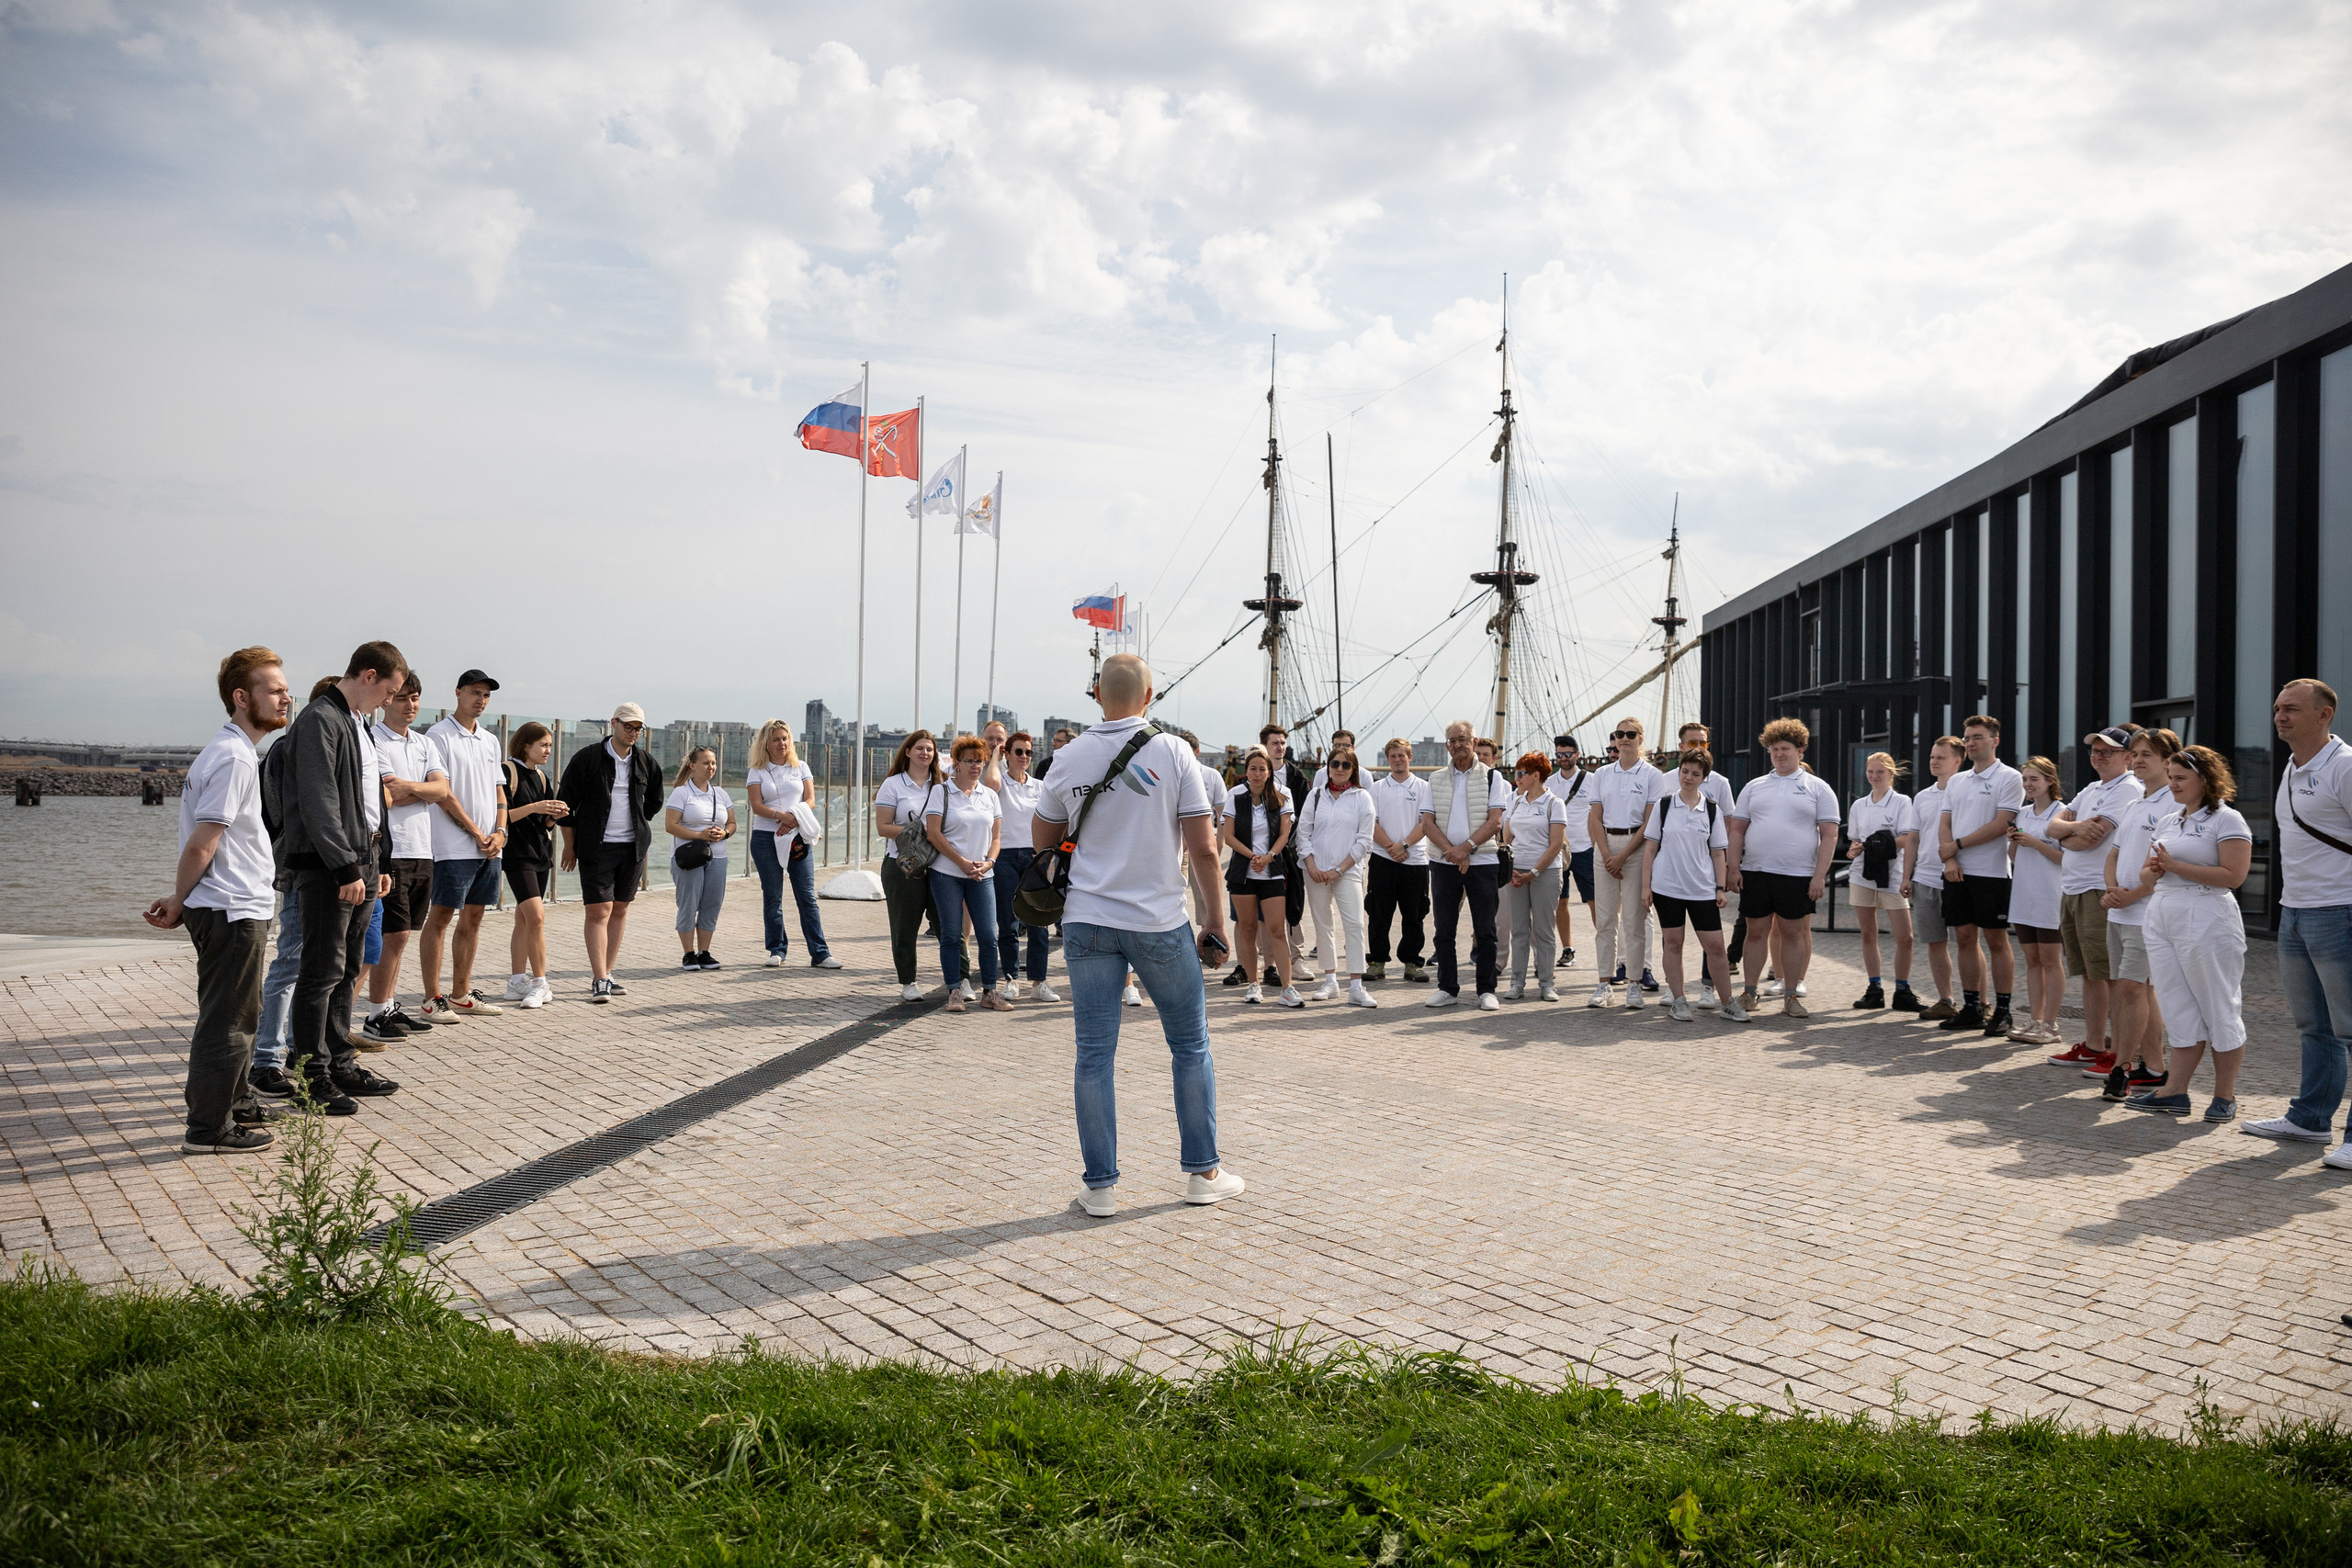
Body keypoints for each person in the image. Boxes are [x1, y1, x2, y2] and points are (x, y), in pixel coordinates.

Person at [1032, 652, 1238, 1217]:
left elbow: (1043, 841)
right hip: (1157, 921)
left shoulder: (1067, 756)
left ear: (1098, 694)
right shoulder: (1173, 751)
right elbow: (1204, 849)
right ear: (1149, 697)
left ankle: (1100, 1187)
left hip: (1087, 919)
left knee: (1094, 1056)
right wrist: (1215, 922)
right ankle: (1203, 1173)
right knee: (1189, 1045)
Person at [144, 648, 292, 1153]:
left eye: (286, 690)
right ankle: (208, 1129)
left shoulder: (229, 750)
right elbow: (202, 842)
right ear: (241, 697)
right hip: (231, 907)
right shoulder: (233, 757)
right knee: (228, 1021)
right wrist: (180, 897)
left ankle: (233, 1105)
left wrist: (182, 897)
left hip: (231, 904)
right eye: (275, 690)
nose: (286, 698)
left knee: (241, 1014)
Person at [275, 641, 407, 1113]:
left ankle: (339, 1063)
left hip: (363, 861)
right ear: (368, 675)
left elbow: (372, 801)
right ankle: (310, 1076)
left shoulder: (358, 723)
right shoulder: (320, 720)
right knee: (320, 972)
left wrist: (380, 863)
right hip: (330, 868)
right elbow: (319, 801)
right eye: (389, 691)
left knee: (348, 968)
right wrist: (344, 866)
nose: (389, 701)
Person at [2243, 680, 2352, 1167]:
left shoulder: (2344, 766)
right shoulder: (2291, 765)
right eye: (2276, 708)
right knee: (2315, 1026)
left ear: (2324, 715)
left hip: (2340, 910)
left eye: (2291, 709)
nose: (2279, 716)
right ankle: (2310, 1120)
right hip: (2295, 910)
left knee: (2350, 1028)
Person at [2123, 746, 2253, 1121]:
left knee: (2218, 1006)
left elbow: (2234, 876)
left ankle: (2224, 1096)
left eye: (2181, 778)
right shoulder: (2168, 820)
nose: (2173, 784)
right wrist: (2154, 871)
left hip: (2207, 915)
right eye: (2171, 777)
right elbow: (2147, 873)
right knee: (2177, 1006)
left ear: (2205, 779)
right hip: (2163, 913)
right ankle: (2175, 1092)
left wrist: (2175, 866)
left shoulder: (2227, 819)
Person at [356, 673, 451, 1047]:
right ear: (386, 701)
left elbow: (442, 790)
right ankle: (375, 1014)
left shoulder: (426, 743)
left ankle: (387, 1006)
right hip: (391, 850)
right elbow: (385, 796)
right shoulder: (373, 739)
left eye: (415, 698)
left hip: (423, 849)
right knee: (390, 935)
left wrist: (411, 787)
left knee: (403, 935)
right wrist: (423, 790)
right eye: (402, 698)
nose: (410, 705)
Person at [2043, 726, 2143, 1069]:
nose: (2099, 756)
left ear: (2127, 757)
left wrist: (2065, 833)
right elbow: (2051, 827)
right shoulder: (2091, 788)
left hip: (2098, 889)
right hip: (2073, 888)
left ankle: (2120, 1053)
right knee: (2089, 974)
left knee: (2112, 975)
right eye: (2095, 751)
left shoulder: (2128, 788)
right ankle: (2094, 1045)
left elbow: (2092, 839)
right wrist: (2070, 830)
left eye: (2108, 751)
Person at [1727, 716, 1840, 1020]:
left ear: (1800, 751)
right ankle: (1749, 993)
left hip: (1798, 874)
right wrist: (1733, 868)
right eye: (1774, 749)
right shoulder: (1754, 787)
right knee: (1755, 933)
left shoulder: (1819, 788)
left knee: (1792, 934)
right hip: (1756, 871)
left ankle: (1791, 995)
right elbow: (1737, 830)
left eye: (1785, 749)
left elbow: (1830, 835)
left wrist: (1819, 876)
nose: (1779, 754)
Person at [556, 702, 666, 1003]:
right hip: (596, 847)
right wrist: (569, 845)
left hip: (633, 848)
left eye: (638, 728)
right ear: (614, 723)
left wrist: (638, 822)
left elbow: (655, 801)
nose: (633, 732)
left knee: (619, 909)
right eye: (628, 726)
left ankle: (607, 972)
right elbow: (565, 804)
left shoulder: (645, 762)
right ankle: (599, 978)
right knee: (598, 910)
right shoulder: (588, 758)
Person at [418, 671, 509, 1020]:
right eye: (475, 692)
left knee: (474, 917)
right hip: (452, 846)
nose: (480, 700)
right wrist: (474, 831)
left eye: (485, 695)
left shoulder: (490, 740)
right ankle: (432, 998)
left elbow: (499, 790)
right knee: (440, 918)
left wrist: (500, 832)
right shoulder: (438, 736)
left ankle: (461, 994)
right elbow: (442, 794)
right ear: (458, 693)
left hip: (490, 847)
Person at [2099, 728, 2183, 1100]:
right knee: (2135, 992)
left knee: (2133, 989)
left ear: (2168, 761)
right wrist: (2111, 890)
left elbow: (2163, 865)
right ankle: (2155, 1068)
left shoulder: (2174, 804)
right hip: (2119, 913)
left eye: (2146, 754)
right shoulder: (2135, 804)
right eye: (2134, 754)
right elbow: (2114, 853)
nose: (2137, 760)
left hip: (2147, 913)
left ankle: (2121, 1068)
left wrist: (2132, 896)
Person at [1933, 715, 2023, 1036]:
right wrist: (1950, 859)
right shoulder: (1957, 781)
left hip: (1992, 872)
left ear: (1994, 741)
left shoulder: (2009, 777)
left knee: (1996, 940)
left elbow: (2002, 824)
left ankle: (2003, 1010)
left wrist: (1957, 846)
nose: (1971, 743)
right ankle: (1971, 1007)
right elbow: (1945, 823)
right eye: (1968, 737)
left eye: (1978, 737)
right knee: (1964, 938)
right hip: (1957, 871)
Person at [1643, 748, 1745, 1022]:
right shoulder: (1664, 806)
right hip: (1667, 888)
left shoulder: (1711, 810)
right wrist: (1645, 887)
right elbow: (1650, 849)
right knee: (1673, 943)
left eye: (1695, 774)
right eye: (1684, 771)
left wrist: (1720, 888)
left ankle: (1728, 1003)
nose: (1688, 777)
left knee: (1716, 947)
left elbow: (1718, 853)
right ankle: (1679, 1001)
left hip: (1702, 889)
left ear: (1704, 777)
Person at [1420, 720, 1509, 1011]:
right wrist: (1453, 852)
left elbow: (1495, 821)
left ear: (1475, 741)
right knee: (1444, 930)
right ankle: (1447, 988)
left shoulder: (1494, 778)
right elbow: (1427, 823)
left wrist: (1466, 848)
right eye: (1452, 740)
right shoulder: (1435, 779)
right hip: (1444, 863)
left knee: (1485, 930)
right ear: (1447, 746)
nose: (1458, 744)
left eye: (1463, 739)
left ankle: (1486, 990)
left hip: (1482, 862)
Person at [925, 734, 1012, 1013]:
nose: (976, 766)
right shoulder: (941, 792)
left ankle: (990, 991)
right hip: (947, 873)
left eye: (980, 761)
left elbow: (996, 838)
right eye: (970, 761)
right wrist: (960, 862)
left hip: (982, 875)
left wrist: (989, 862)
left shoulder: (990, 796)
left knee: (988, 935)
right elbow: (933, 833)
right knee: (952, 935)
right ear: (957, 763)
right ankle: (954, 990)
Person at [1586, 716, 1665, 1008]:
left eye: (1631, 734)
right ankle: (1604, 984)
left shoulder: (1652, 775)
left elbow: (1649, 822)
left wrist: (1622, 856)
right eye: (1620, 733)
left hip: (1636, 848)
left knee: (1634, 920)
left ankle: (1634, 984)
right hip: (1605, 846)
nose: (1624, 738)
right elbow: (1595, 817)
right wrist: (1607, 854)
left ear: (1641, 738)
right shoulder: (1602, 774)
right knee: (1605, 920)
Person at [746, 720, 837, 969]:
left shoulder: (801, 766)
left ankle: (820, 953)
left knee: (807, 897)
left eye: (785, 738)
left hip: (797, 836)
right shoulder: (757, 771)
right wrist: (780, 816)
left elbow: (811, 800)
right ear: (766, 743)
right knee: (772, 897)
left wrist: (793, 818)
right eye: (776, 739)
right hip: (765, 839)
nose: (781, 743)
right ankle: (777, 949)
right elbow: (757, 806)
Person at [1299, 749, 1378, 1007]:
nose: (1340, 769)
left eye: (1346, 765)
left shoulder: (1362, 797)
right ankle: (1330, 981)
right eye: (1335, 764)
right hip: (1315, 871)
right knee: (1323, 925)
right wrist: (1311, 866)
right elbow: (1303, 833)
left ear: (1353, 769)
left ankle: (1356, 986)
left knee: (1354, 924)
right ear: (1328, 767)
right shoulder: (1315, 795)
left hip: (1348, 871)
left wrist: (1340, 869)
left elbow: (1365, 840)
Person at [874, 729, 948, 1001]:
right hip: (902, 867)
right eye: (919, 748)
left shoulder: (943, 784)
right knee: (904, 927)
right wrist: (920, 832)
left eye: (929, 749)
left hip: (940, 865)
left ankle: (959, 979)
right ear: (907, 752)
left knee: (948, 926)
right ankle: (908, 981)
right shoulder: (893, 784)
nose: (924, 753)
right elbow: (883, 827)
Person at [1223, 747, 1299, 1007]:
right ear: (1246, 772)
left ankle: (1288, 988)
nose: (1257, 774)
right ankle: (1253, 985)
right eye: (1253, 769)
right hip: (1242, 873)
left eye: (1262, 769)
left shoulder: (1282, 794)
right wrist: (1252, 856)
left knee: (1277, 930)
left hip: (1272, 872)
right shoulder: (1235, 795)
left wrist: (1268, 857)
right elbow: (1228, 836)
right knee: (1247, 929)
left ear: (1269, 772)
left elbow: (1284, 834)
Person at [498, 722, 567, 1006]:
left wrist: (553, 816)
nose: (548, 750)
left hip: (540, 853)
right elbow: (502, 815)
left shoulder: (541, 777)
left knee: (524, 919)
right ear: (526, 745)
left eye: (550, 745)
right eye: (543, 745)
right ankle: (540, 983)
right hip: (517, 855)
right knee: (537, 917)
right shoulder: (507, 771)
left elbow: (543, 823)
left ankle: (516, 982)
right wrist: (536, 807)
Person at [1845, 751, 1918, 1011]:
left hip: (1893, 874)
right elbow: (1855, 841)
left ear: (1890, 774)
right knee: (1868, 934)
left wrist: (1876, 844)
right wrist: (1855, 850)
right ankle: (1874, 988)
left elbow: (1907, 838)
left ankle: (1902, 989)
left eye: (1880, 772)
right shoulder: (1859, 805)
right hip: (1862, 874)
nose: (1874, 776)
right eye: (1870, 772)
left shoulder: (1902, 802)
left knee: (1905, 937)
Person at [2005, 757, 2068, 1046]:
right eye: (2025, 779)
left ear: (2050, 781)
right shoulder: (2022, 813)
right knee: (2031, 960)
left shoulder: (2063, 813)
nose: (2028, 785)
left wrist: (2036, 843)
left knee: (2050, 960)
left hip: (2049, 895)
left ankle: (2051, 1024)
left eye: (2034, 779)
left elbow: (2067, 859)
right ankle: (2035, 1018)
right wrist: (2014, 842)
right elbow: (2013, 858)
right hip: (2024, 894)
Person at [991, 730, 1057, 1001]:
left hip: (1034, 856)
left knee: (1039, 920)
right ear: (1007, 754)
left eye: (1028, 752)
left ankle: (1039, 983)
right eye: (1018, 751)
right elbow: (990, 782)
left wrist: (1045, 853)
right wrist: (995, 757)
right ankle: (1011, 979)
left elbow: (1052, 819)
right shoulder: (999, 783)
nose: (1024, 757)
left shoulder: (1040, 787)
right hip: (1005, 856)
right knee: (1007, 922)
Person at [1675, 723, 1737, 1005]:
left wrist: (1725, 871)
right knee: (1673, 935)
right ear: (1681, 746)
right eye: (1693, 743)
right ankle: (1674, 988)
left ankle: (1708, 987)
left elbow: (1727, 828)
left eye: (1703, 743)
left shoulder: (1720, 783)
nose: (1699, 748)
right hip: (1673, 869)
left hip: (1705, 870)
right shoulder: (1667, 780)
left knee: (1710, 935)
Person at [1902, 738, 1963, 1020]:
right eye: (1931, 757)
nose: (1934, 762)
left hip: (1958, 878)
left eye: (1941, 757)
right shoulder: (1923, 797)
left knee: (1968, 942)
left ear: (1957, 761)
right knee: (1935, 943)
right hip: (1924, 879)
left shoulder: (1965, 793)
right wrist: (1907, 876)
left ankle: (1979, 1003)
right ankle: (1945, 1000)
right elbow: (1913, 839)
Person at [1499, 751, 1568, 1001]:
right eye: (1516, 773)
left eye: (1521, 773)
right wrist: (1510, 870)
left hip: (1545, 873)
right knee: (1519, 930)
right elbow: (1507, 839)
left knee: (1543, 931)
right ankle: (1516, 983)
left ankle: (1547, 983)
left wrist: (1534, 873)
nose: (1516, 777)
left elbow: (1555, 844)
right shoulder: (1516, 802)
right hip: (1517, 874)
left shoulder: (1554, 803)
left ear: (1536, 775)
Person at [1366, 738, 1432, 983]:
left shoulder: (1424, 787)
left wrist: (1403, 845)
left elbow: (1426, 823)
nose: (1397, 760)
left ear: (1410, 757)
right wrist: (1391, 848)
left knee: (1414, 915)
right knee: (1378, 914)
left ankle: (1412, 963)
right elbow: (1371, 823)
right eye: (1392, 756)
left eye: (1401, 755)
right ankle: (1377, 962)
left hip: (1414, 861)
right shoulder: (1377, 789)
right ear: (1387, 759)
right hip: (1382, 860)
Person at [665, 746, 735, 968]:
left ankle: (704, 952)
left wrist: (725, 833)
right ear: (693, 766)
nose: (710, 767)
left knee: (712, 904)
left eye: (713, 763)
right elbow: (670, 825)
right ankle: (688, 953)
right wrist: (699, 835)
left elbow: (732, 823)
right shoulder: (681, 793)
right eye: (705, 763)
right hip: (690, 857)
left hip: (718, 857)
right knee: (689, 903)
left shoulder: (721, 794)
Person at [1259, 724, 1313, 984]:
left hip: (1289, 852)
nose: (1280, 747)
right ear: (1265, 746)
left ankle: (1296, 958)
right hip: (1260, 851)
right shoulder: (1257, 773)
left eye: (1282, 743)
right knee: (1262, 905)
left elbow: (1304, 816)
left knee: (1293, 903)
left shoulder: (1297, 778)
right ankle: (1266, 959)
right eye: (1274, 743)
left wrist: (1286, 844)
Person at [1545, 734, 1593, 972]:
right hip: (1559, 850)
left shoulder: (1591, 780)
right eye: (1559, 755)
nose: (1563, 758)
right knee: (1561, 901)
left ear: (1577, 754)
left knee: (1595, 901)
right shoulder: (1549, 783)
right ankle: (1567, 949)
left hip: (1585, 848)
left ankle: (1610, 950)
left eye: (1567, 754)